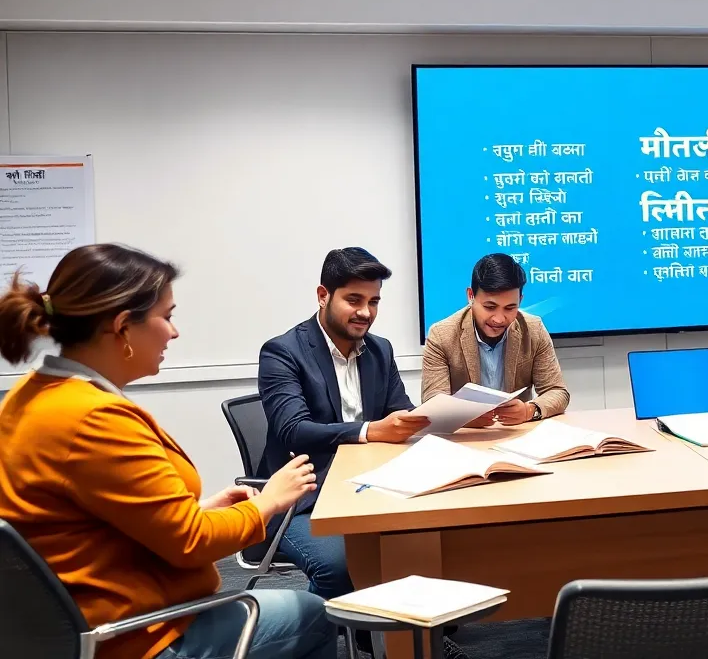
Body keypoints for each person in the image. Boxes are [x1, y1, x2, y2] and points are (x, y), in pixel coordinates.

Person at [0, 244, 333, 659]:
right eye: (167, 316)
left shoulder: (32, 396)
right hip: (137, 637)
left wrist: (203, 508)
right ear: (123, 326)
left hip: (79, 624)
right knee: (314, 613)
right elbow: (191, 543)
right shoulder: (93, 418)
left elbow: (100, 520)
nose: (174, 332)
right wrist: (267, 503)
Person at [258, 249, 427, 598]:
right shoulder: (282, 352)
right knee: (339, 566)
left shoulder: (380, 350)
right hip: (302, 496)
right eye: (354, 300)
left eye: (374, 301)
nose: (366, 312)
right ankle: (346, 632)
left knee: (427, 545)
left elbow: (401, 412)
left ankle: (409, 638)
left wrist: (439, 418)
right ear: (323, 296)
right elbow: (294, 429)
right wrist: (370, 430)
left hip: (370, 487)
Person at [421, 253, 569, 426]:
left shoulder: (533, 329)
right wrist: (467, 417)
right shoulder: (441, 335)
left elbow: (557, 391)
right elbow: (433, 402)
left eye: (510, 308)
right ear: (470, 296)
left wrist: (530, 410)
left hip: (516, 435)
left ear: (520, 300)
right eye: (490, 307)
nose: (499, 319)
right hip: (464, 439)